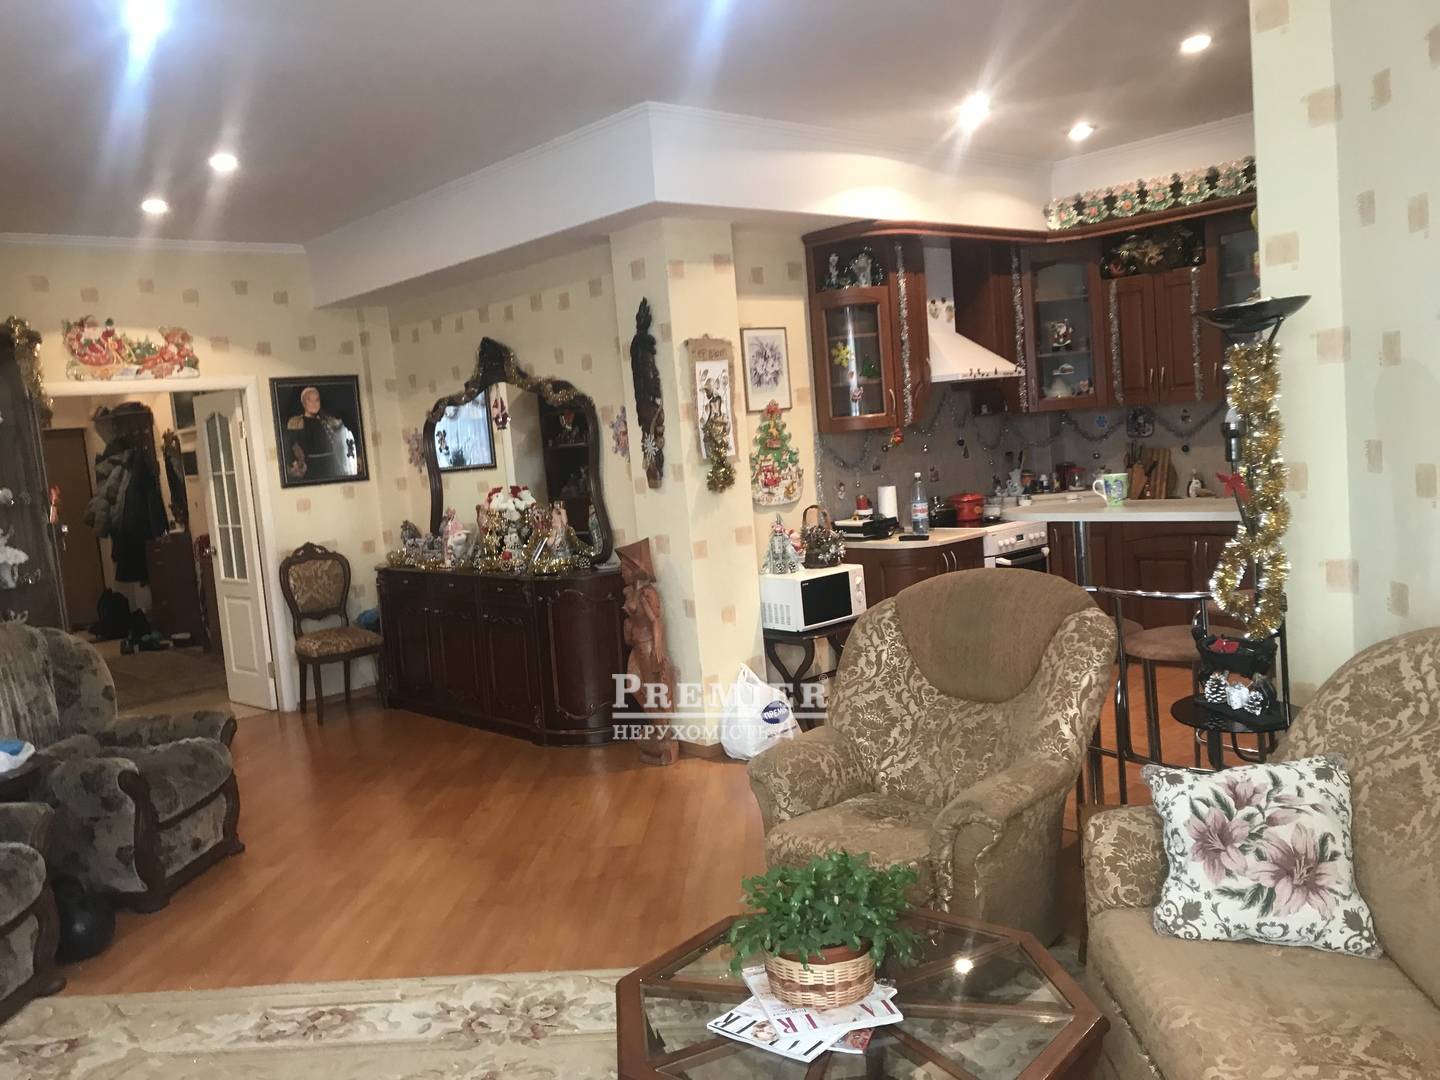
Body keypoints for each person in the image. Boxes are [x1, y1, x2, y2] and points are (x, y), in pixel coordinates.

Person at [285, 386, 358, 481]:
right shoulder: (296, 422)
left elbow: (343, 435)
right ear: (303, 403)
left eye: (317, 400)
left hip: (332, 465)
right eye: (309, 400)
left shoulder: (327, 421)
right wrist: (296, 463)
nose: (314, 403)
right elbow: (290, 445)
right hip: (311, 467)